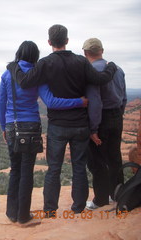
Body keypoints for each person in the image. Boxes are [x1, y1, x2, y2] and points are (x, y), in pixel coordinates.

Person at [7, 24, 118, 216]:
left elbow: (24, 82)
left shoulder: (45, 63)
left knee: (53, 169)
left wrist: (14, 66)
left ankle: (50, 210)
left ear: (50, 42)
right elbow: (101, 79)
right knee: (79, 167)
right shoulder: (80, 62)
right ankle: (78, 208)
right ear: (66, 40)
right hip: (80, 125)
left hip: (58, 126)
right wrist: (112, 67)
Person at [0, 40, 87, 224]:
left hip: (11, 125)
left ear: (19, 53)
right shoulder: (38, 75)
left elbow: (1, 104)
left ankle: (11, 212)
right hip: (30, 127)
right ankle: (23, 215)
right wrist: (79, 102)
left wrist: (3, 127)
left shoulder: (7, 75)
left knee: (15, 169)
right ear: (35, 56)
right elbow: (52, 102)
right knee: (26, 171)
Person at [83, 38, 127, 210]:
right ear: (102, 50)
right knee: (114, 157)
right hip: (117, 117)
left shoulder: (92, 71)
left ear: (85, 53)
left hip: (101, 119)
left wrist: (93, 129)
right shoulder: (118, 69)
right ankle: (118, 195)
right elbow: (123, 97)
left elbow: (95, 102)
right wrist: (119, 114)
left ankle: (101, 199)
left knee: (97, 161)